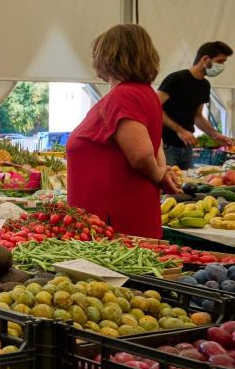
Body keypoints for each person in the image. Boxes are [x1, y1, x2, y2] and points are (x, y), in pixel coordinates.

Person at [67, 24, 180, 239]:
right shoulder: (143, 93)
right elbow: (156, 146)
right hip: (117, 216)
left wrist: (158, 174)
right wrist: (161, 172)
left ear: (109, 56)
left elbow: (141, 153)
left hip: (113, 222)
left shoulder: (124, 96)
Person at [158, 41, 234, 169]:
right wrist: (180, 130)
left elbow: (198, 117)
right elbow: (153, 108)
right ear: (205, 59)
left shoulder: (205, 85)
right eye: (220, 61)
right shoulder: (176, 79)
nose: (222, 66)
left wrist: (215, 135)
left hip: (187, 148)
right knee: (168, 186)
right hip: (166, 146)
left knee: (188, 185)